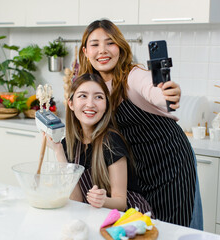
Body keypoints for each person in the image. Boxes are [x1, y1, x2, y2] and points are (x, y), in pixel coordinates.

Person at [77, 19, 203, 229]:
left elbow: (153, 91)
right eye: (95, 44)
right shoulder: (93, 86)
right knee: (148, 227)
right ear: (85, 51)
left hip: (171, 163)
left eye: (110, 43)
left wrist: (166, 95)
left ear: (120, 46)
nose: (103, 50)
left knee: (177, 228)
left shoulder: (132, 76)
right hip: (139, 168)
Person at [46, 73, 152, 213]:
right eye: (83, 96)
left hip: (129, 217)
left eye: (98, 97)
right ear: (71, 103)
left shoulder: (111, 142)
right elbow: (76, 199)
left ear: (106, 105)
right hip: (94, 214)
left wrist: (103, 200)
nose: (90, 104)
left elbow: (120, 202)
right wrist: (58, 150)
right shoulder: (68, 144)